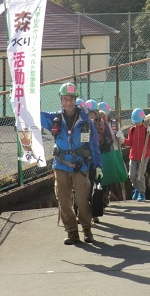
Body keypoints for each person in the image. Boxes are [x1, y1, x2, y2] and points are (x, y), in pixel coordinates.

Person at [40, 82, 103, 245]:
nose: (68, 103)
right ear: (61, 100)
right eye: (65, 99)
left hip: (81, 166)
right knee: (63, 200)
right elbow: (35, 115)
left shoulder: (86, 121)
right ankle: (72, 232)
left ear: (76, 100)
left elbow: (94, 145)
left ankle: (87, 229)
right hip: (60, 165)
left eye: (71, 99)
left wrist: (98, 166)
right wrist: (20, 100)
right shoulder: (54, 119)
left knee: (83, 201)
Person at [122, 108, 150, 202]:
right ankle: (136, 188)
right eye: (135, 122)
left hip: (144, 156)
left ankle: (142, 193)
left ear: (142, 120)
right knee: (131, 175)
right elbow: (129, 143)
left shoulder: (146, 130)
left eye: (138, 121)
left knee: (140, 175)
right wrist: (122, 139)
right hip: (133, 156)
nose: (137, 123)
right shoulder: (131, 130)